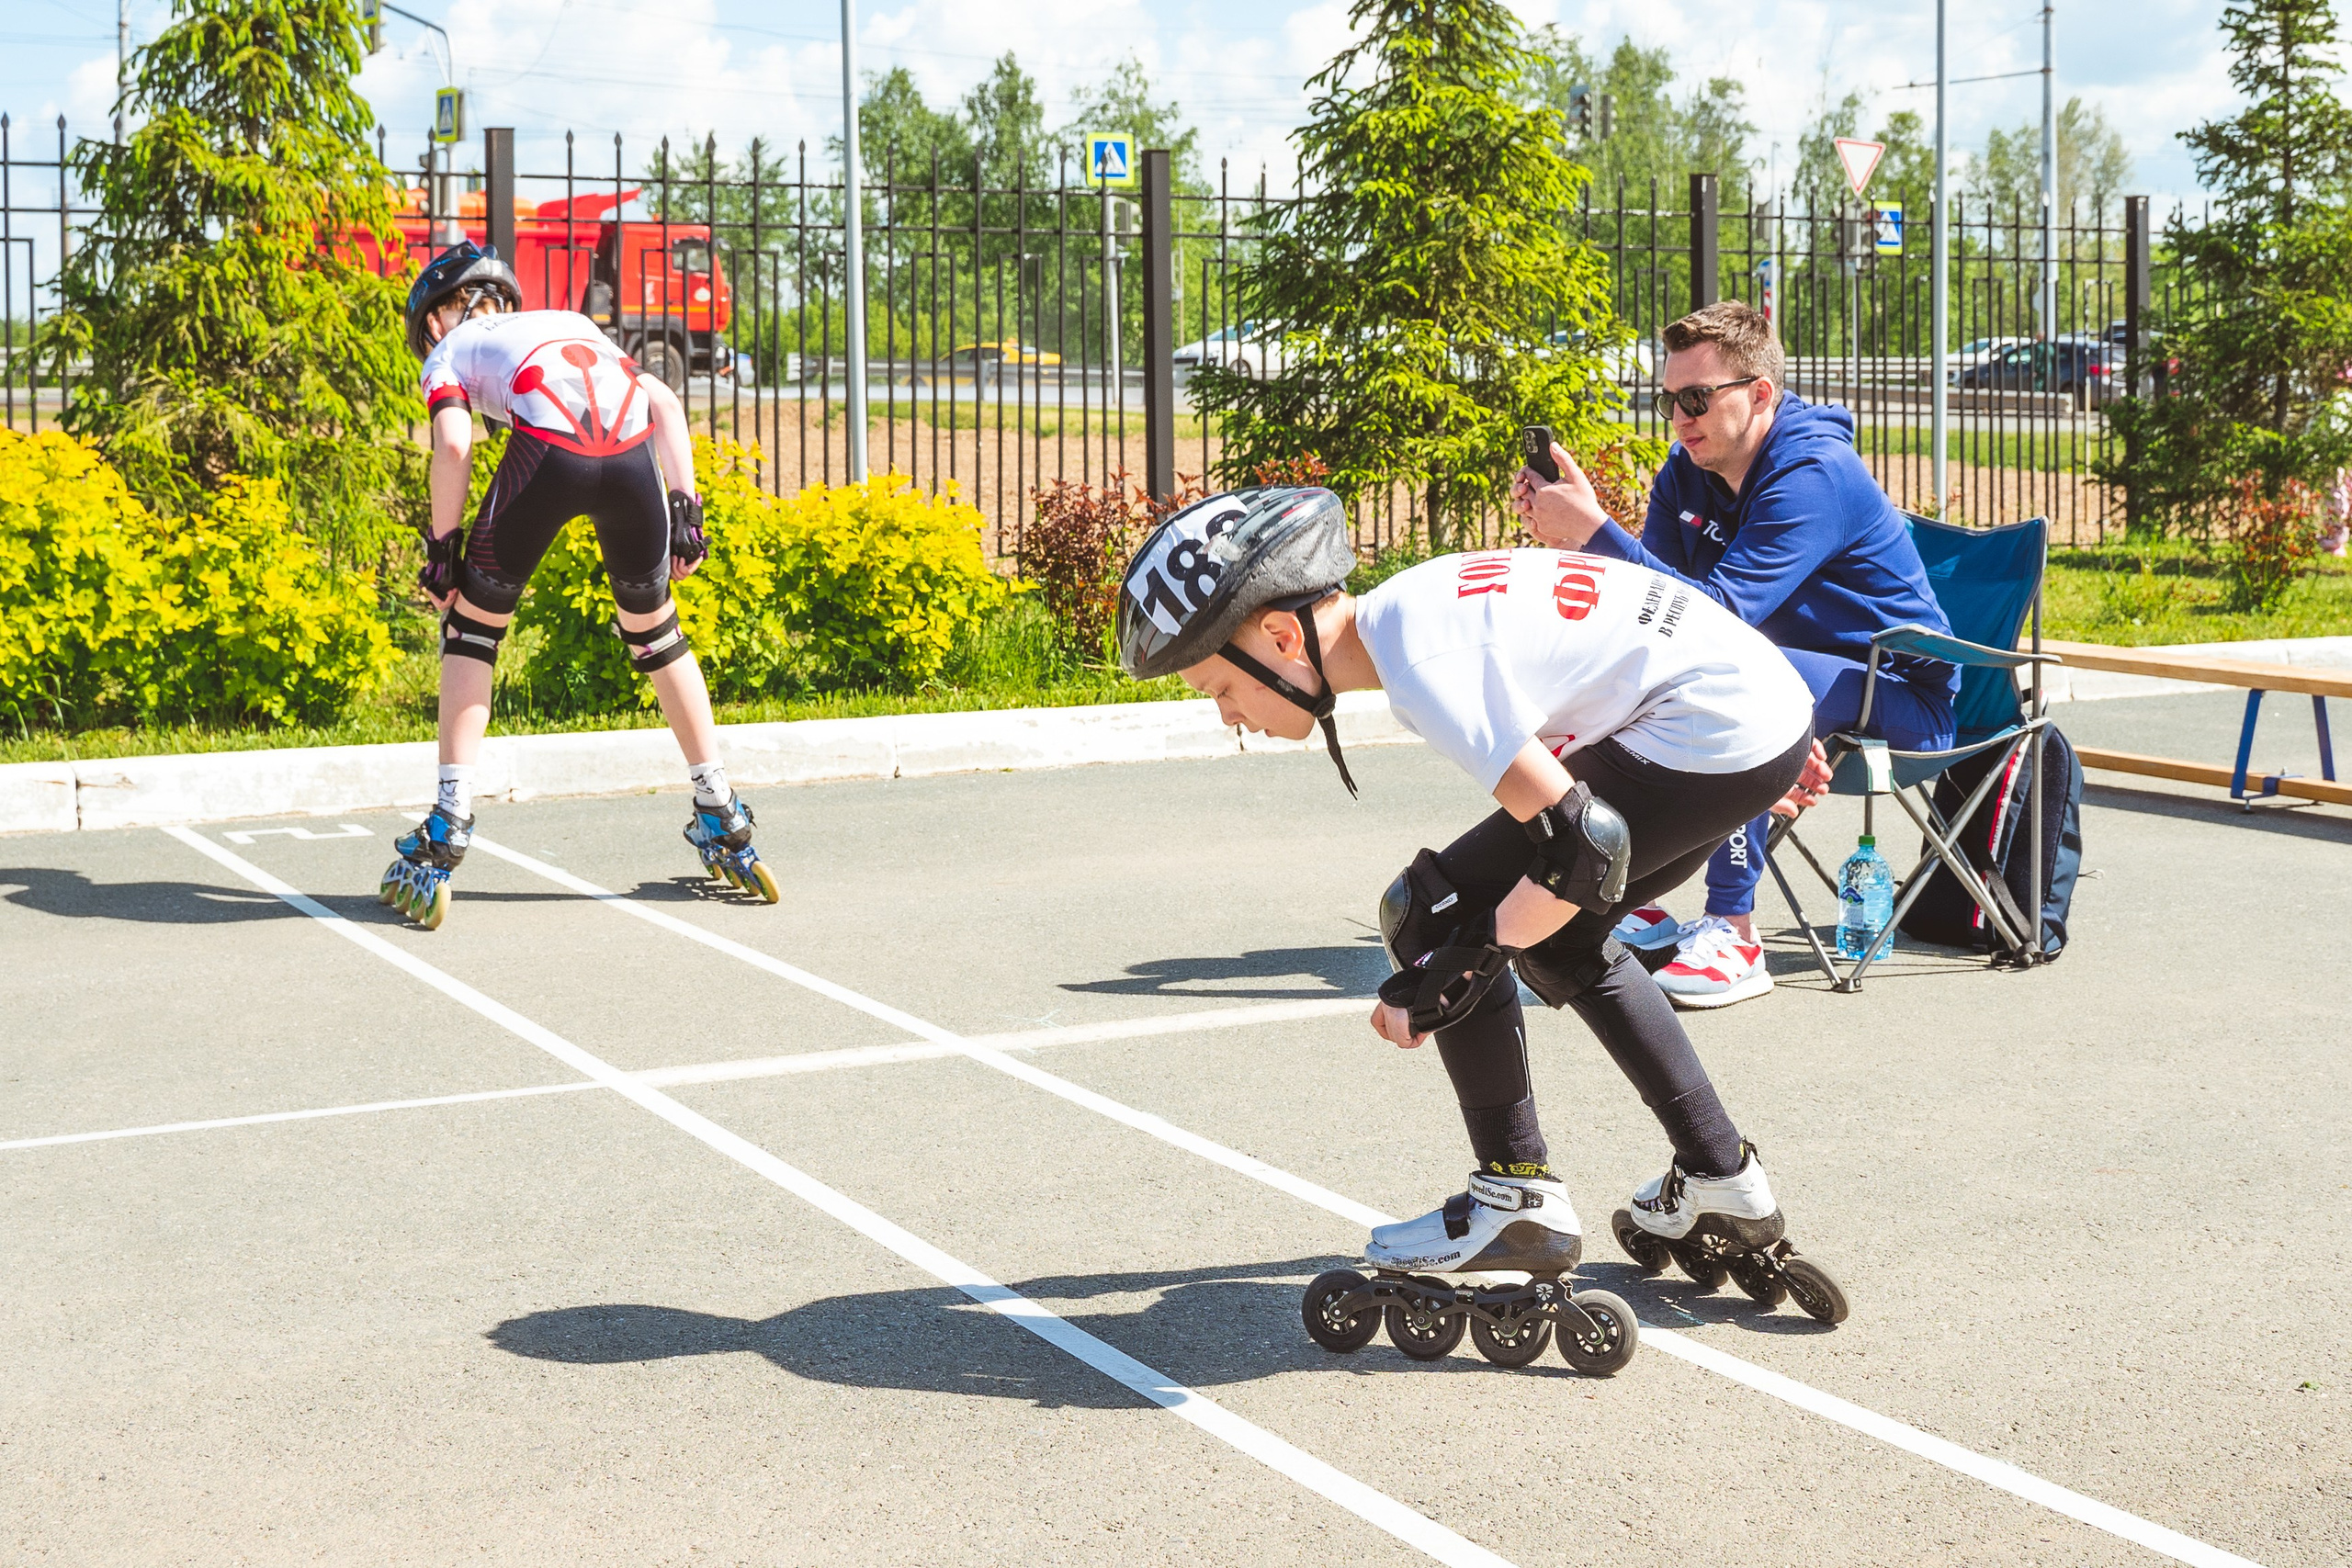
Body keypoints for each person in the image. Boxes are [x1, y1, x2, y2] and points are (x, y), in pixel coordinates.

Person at [1114, 485, 1848, 1325]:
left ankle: (1515, 1200)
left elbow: (1584, 846)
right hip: (1753, 713)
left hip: (1715, 726)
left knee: (1433, 914)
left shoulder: (1422, 661)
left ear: (1282, 638)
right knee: (1561, 938)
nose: (1228, 717)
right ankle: (1721, 1176)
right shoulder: (1410, 612)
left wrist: (1453, 966)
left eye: (1218, 688)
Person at [1512, 301, 1957, 1010]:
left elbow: (1717, 614)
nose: (1681, 417)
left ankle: (1735, 931)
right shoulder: (1685, 471)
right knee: (1619, 681)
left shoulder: (1814, 471)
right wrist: (1578, 537)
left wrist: (1598, 531)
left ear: (1759, 395)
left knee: (1741, 691)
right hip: (1791, 671)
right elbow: (1645, 618)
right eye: (1669, 400)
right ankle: (1622, 893)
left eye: (1697, 398)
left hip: (1897, 687)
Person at [375, 242, 775, 930]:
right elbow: (666, 402)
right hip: (631, 458)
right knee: (658, 636)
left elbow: (453, 444)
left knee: (471, 631)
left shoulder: (452, 349)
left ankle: (448, 819)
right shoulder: (571, 321)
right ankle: (723, 810)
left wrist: (442, 550)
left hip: (550, 457)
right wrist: (687, 510)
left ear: (440, 318)